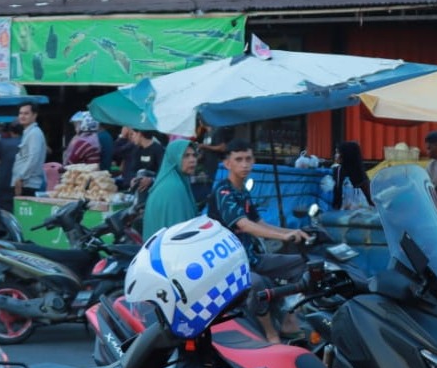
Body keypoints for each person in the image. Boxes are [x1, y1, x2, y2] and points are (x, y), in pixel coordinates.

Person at [209, 139, 312, 340]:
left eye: (248, 159)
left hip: (252, 257)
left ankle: (288, 317)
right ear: (227, 164)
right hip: (231, 265)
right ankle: (270, 333)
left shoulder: (243, 190)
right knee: (257, 283)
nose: (245, 164)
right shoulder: (223, 191)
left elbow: (260, 222)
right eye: (238, 159)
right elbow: (244, 225)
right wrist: (284, 236)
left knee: (304, 264)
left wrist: (294, 232)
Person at [142, 140, 200, 240]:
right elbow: (181, 235)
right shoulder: (173, 188)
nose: (192, 160)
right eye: (186, 156)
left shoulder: (171, 181)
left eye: (194, 155)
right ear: (174, 158)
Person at [11, 101, 47, 198]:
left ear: (34, 116)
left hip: (28, 184)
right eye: (20, 113)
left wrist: (21, 178)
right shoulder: (28, 132)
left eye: (26, 113)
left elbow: (33, 159)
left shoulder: (35, 133)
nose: (22, 116)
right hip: (23, 183)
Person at [330, 141, 373, 211]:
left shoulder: (359, 175)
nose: (335, 155)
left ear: (346, 155)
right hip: (342, 215)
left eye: (338, 153)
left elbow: (370, 199)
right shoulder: (337, 171)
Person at [0, 122, 22, 212]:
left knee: (3, 212)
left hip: (4, 182)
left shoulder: (2, 143)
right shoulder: (25, 142)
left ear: (10, 132)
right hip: (20, 182)